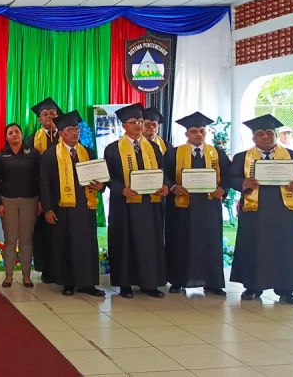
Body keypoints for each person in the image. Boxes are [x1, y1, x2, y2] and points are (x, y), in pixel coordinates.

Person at [229, 114, 293, 304]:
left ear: (275, 135)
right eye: (261, 133)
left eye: (270, 132)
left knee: (285, 249)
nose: (266, 136)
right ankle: (253, 287)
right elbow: (230, 178)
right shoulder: (243, 157)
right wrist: (243, 183)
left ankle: (286, 289)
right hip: (255, 211)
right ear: (253, 138)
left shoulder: (292, 156)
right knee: (254, 247)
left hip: (284, 211)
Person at [104, 103, 169, 299]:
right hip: (124, 205)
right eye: (134, 122)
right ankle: (125, 284)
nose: (139, 125)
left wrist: (165, 185)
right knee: (125, 242)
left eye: (141, 122)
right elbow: (108, 177)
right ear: (124, 126)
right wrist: (121, 189)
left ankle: (150, 283)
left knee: (149, 242)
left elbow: (162, 171)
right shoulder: (113, 149)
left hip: (149, 205)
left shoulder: (154, 148)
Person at [164, 112, 231, 295]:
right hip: (182, 206)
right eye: (194, 131)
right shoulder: (174, 153)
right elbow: (164, 174)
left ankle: (213, 283)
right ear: (187, 134)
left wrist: (223, 189)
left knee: (210, 242)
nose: (199, 134)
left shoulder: (216, 153)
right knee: (181, 241)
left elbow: (229, 175)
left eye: (202, 131)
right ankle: (178, 281)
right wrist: (172, 187)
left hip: (209, 207)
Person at [40, 111, 106, 297]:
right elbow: (44, 183)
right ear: (61, 133)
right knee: (65, 244)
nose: (75, 133)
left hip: (85, 208)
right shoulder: (51, 154)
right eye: (70, 130)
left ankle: (88, 283)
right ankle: (68, 282)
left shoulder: (88, 152)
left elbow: (101, 177)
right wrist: (48, 209)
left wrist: (102, 186)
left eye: (76, 129)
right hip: (63, 208)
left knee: (86, 245)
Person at [0, 123, 41, 288]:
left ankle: (27, 276)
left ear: (21, 134)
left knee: (26, 239)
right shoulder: (0, 156)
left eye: (17, 132)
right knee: (10, 239)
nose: (14, 135)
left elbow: (40, 179)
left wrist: (41, 201)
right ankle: (8, 276)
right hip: (8, 201)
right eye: (10, 132)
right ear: (6, 137)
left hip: (30, 200)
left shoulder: (33, 154)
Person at [27, 97, 61, 284]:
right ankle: (47, 269)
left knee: (63, 231)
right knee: (43, 233)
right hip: (42, 194)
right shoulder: (32, 140)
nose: (49, 116)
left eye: (52, 113)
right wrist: (38, 199)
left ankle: (62, 268)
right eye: (44, 114)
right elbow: (30, 171)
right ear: (39, 119)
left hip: (65, 193)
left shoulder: (66, 136)